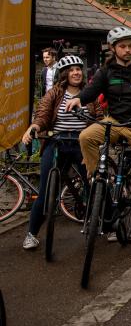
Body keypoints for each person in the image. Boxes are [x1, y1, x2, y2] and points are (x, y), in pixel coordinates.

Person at [66, 26, 131, 251]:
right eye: (122, 46)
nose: (127, 50)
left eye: (130, 46)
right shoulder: (106, 72)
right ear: (113, 48)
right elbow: (91, 91)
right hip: (115, 123)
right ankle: (98, 181)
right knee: (86, 136)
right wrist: (79, 100)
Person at [20, 55, 100, 250]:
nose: (76, 72)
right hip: (58, 142)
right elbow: (43, 115)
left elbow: (98, 118)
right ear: (64, 74)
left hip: (82, 143)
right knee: (46, 190)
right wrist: (34, 128)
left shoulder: (89, 95)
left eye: (78, 69)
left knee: (94, 183)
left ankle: (102, 223)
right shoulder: (54, 93)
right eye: (71, 70)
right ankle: (32, 234)